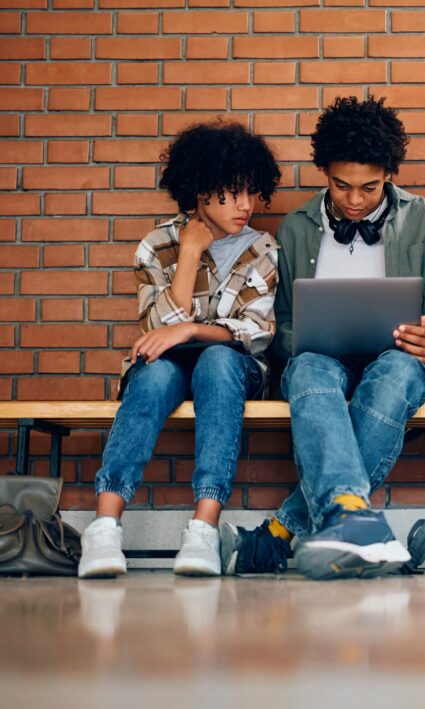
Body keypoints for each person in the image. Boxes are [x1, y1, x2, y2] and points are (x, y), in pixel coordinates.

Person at [220, 97, 425, 580]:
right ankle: (352, 521)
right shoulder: (296, 227)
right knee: (307, 367)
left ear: (390, 174)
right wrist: (305, 336)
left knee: (394, 372)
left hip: (399, 360)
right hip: (322, 359)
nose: (354, 200)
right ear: (323, 173)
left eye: (369, 187)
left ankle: (285, 532)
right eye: (340, 185)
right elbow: (281, 325)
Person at [77, 121, 282, 578]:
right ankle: (105, 526)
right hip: (167, 364)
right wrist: (189, 253)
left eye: (251, 192)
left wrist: (189, 329)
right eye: (230, 194)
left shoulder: (264, 248)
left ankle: (204, 528)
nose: (245, 206)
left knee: (217, 360)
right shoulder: (158, 245)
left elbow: (254, 333)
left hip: (232, 366)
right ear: (199, 190)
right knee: (151, 373)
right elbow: (155, 334)